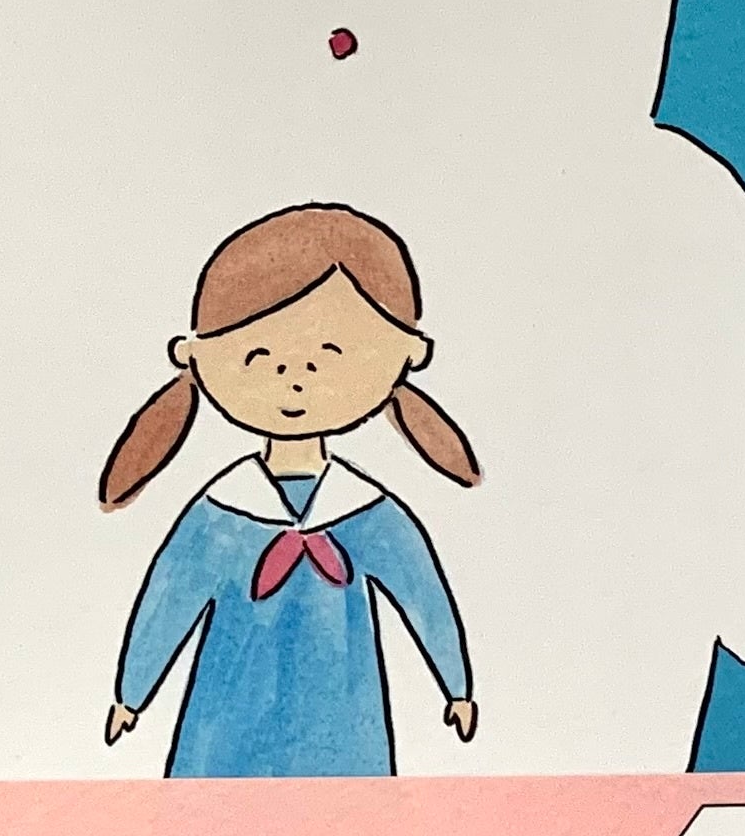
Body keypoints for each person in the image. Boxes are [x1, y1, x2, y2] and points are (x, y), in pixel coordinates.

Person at [101, 205, 479, 777]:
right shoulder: (218, 513)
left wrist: (456, 685)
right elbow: (168, 599)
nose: (294, 380)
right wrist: (132, 693)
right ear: (198, 357)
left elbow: (423, 594)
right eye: (259, 359)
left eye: (328, 358)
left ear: (404, 354)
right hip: (224, 733)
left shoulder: (370, 513)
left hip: (343, 732)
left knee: (342, 823)